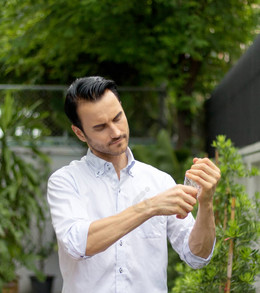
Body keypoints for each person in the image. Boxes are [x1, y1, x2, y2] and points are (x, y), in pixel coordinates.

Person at [47, 76, 220, 293]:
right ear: (80, 133)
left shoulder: (159, 181)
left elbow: (197, 257)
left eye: (118, 117)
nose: (116, 132)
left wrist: (206, 203)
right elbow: (77, 243)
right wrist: (149, 207)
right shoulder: (65, 181)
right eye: (101, 127)